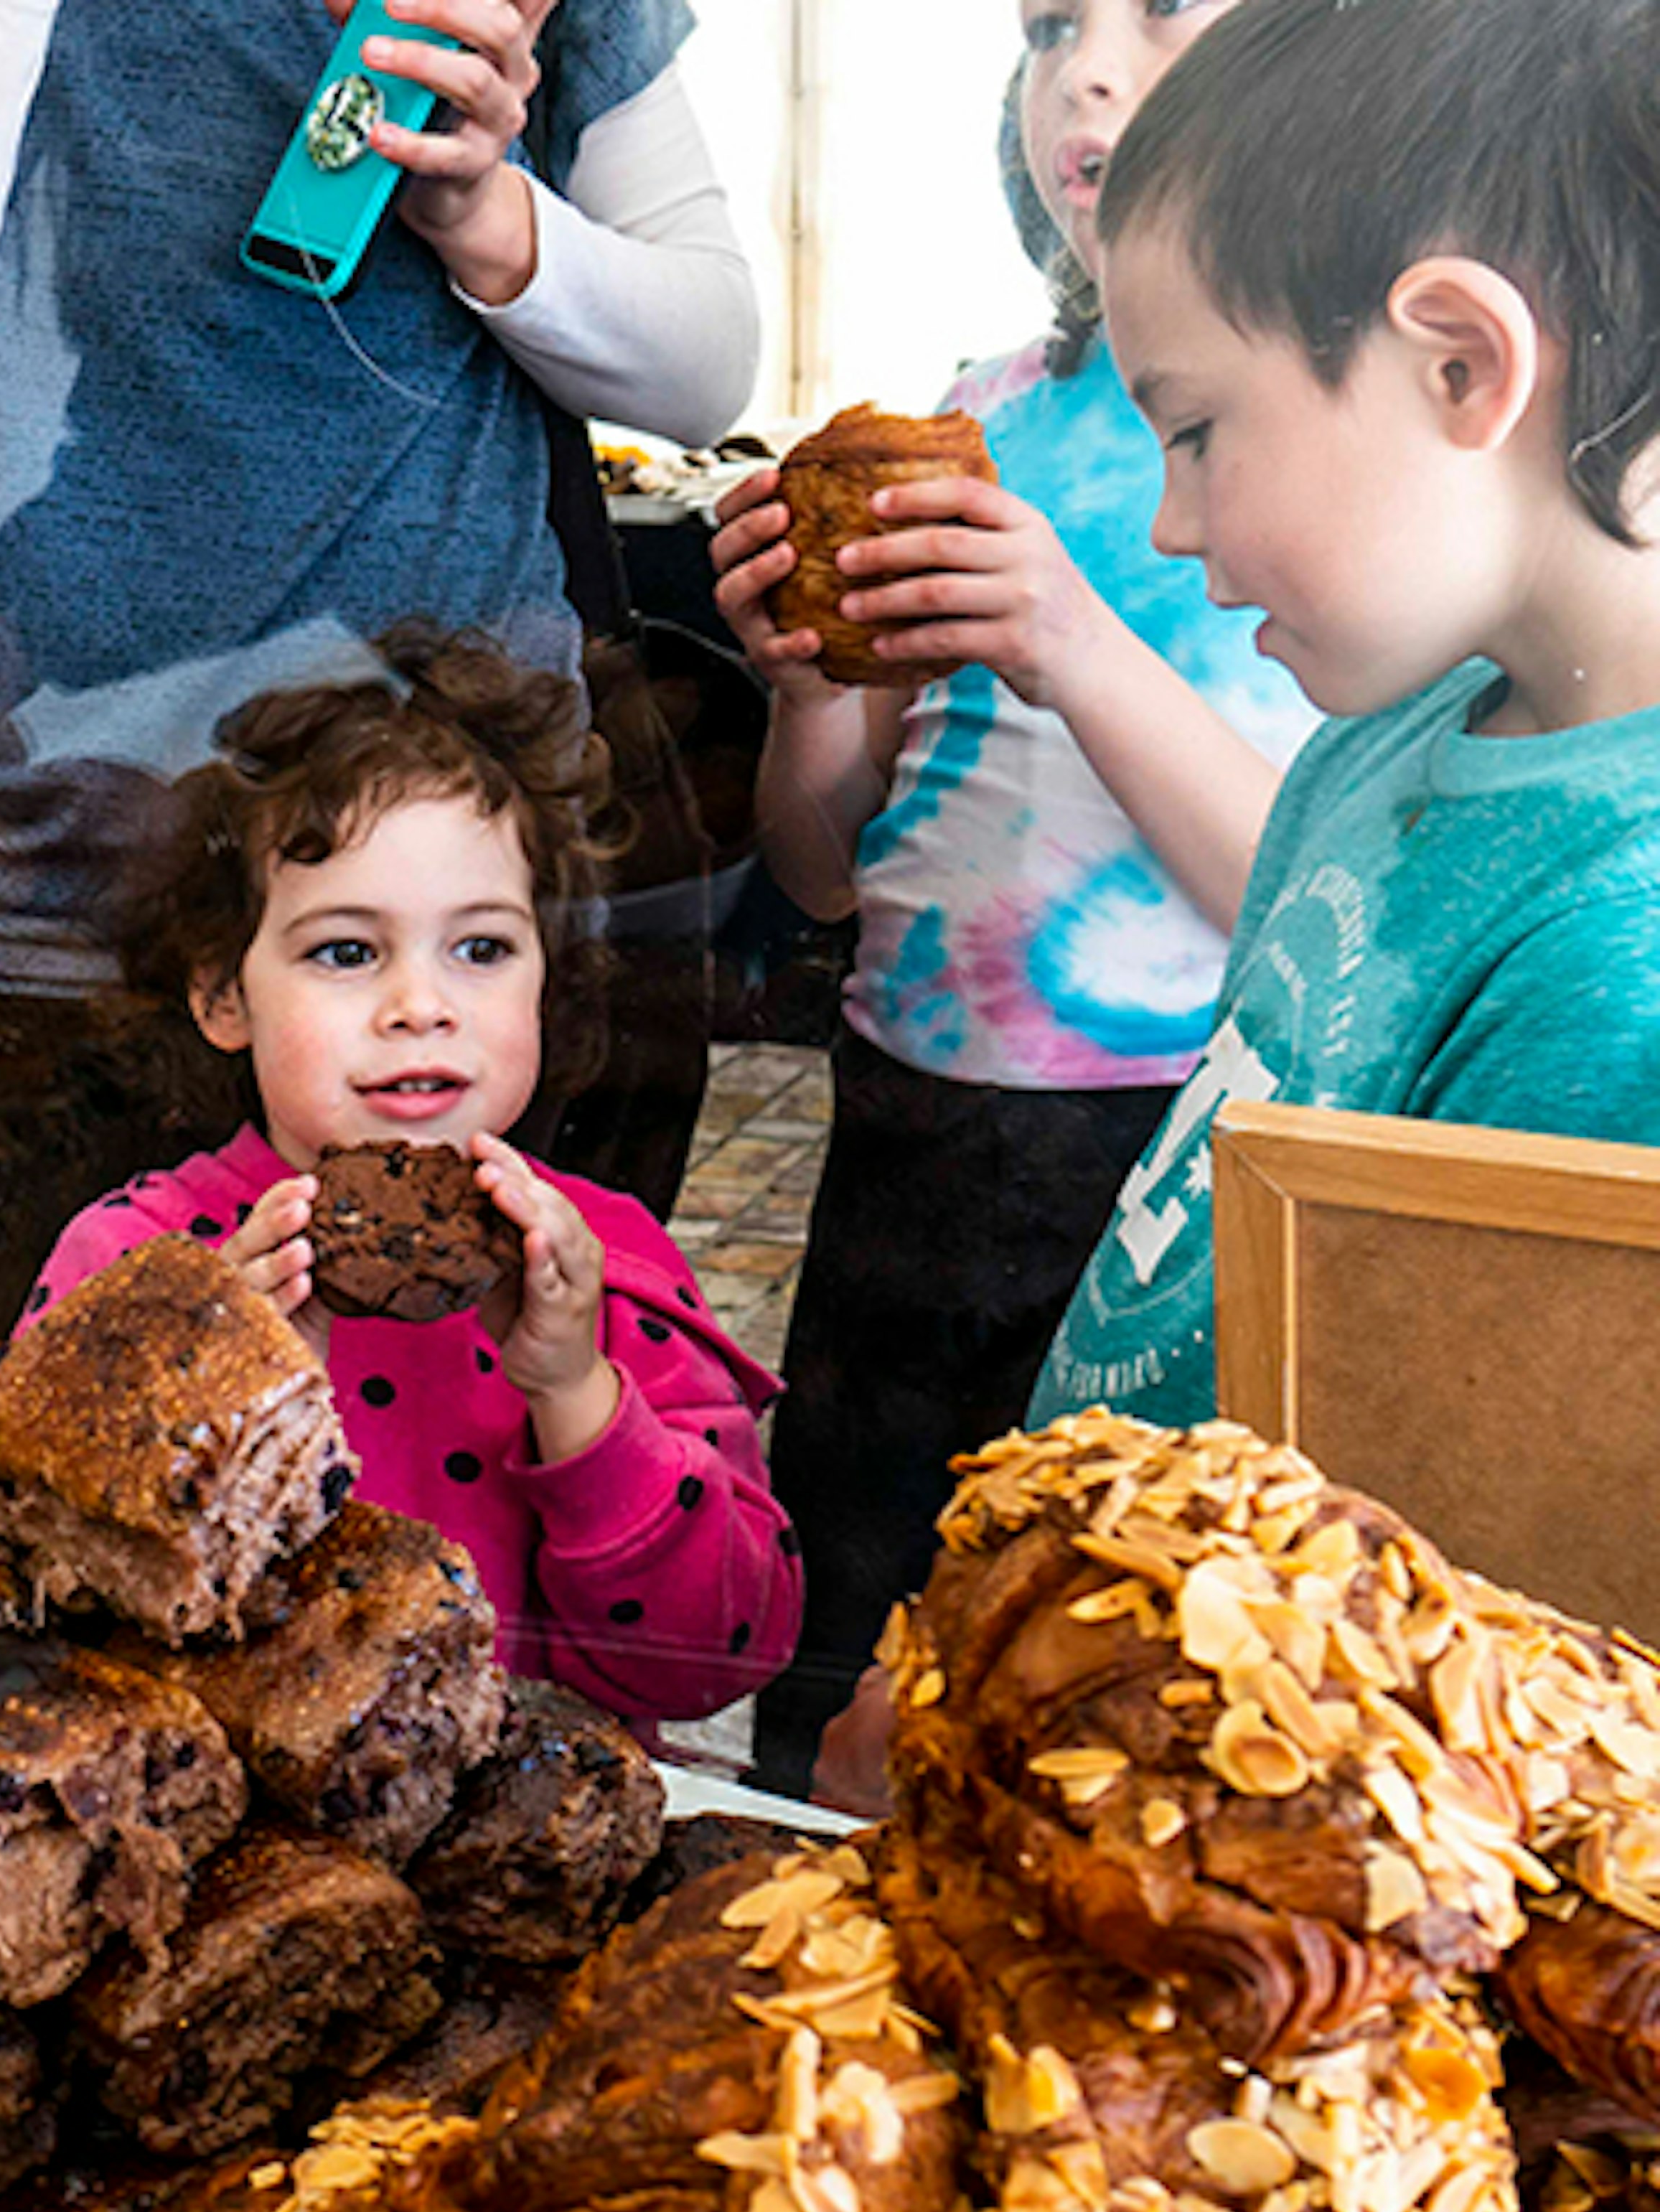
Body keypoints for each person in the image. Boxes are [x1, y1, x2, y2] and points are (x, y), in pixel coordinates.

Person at [0, 0, 758, 1338]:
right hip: (55, 916)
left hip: (446, 913)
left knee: (477, 1484)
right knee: (55, 1490)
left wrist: (491, 220)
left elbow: (709, 362)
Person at [705, 0, 1316, 1794]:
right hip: (903, 1122)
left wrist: (1068, 636)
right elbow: (823, 867)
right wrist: (812, 687)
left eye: (1153, 14)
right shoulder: (971, 419)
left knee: (1087, 1680)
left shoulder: (1299, 455)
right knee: (845, 1630)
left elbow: (1292, 905)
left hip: (1167, 1160)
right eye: (1051, 25)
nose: (1090, 73)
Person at [1030, 0, 1660, 1428]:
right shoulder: (1382, 737)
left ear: (1460, 364)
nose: (1172, 523)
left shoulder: (1624, 966)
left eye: (1195, 433)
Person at [25, 629, 802, 1727]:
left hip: (537, 1862)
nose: (420, 1005)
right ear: (222, 996)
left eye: (481, 949)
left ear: (547, 971)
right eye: (347, 952)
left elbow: (717, 1659)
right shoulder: (131, 1264)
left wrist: (575, 1393)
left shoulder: (604, 1266)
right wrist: (226, 1411)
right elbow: (49, 1619)